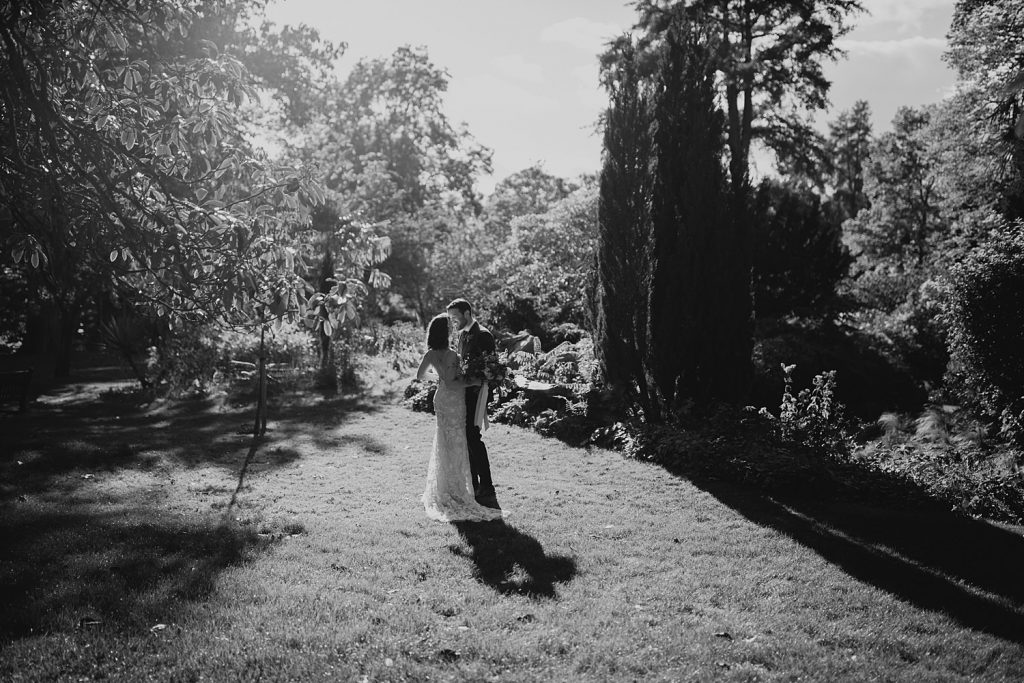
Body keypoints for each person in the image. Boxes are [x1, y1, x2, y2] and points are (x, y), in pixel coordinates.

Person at [416, 314, 503, 522]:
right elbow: (453, 383)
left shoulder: (430, 354)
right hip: (454, 401)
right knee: (457, 441)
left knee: (444, 441)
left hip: (441, 399)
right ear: (445, 333)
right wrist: (473, 382)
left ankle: (445, 486)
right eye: (450, 327)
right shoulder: (452, 355)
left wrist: (438, 378)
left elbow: (420, 375)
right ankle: (457, 488)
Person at [446, 297, 497, 504]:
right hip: (464, 394)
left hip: (477, 394)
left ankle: (487, 485)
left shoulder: (483, 335)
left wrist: (474, 383)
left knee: (473, 437)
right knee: (467, 438)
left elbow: (491, 368)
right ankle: (474, 483)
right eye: (450, 318)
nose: (453, 322)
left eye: (455, 317)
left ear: (467, 313)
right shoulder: (462, 335)